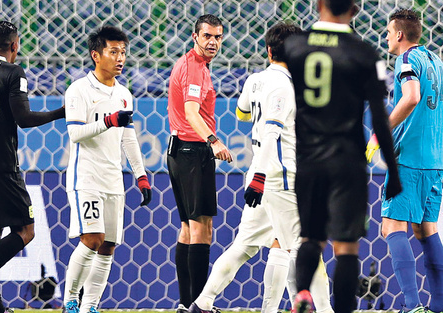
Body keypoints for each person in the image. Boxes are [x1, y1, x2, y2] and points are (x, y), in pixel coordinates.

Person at [188, 22, 333, 313]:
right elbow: (271, 133)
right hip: (279, 177)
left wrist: (257, 176)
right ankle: (325, 310)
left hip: (260, 173)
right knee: (306, 247)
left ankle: (202, 303)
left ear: (268, 50)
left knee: (248, 245)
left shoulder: (255, 79)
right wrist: (261, 178)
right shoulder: (283, 86)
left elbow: (242, 113)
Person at [282, 1, 403, 313]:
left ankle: (303, 295)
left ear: (318, 4)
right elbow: (379, 118)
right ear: (355, 9)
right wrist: (392, 169)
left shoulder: (293, 47)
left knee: (311, 237)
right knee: (346, 247)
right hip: (347, 162)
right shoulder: (364, 54)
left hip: (308, 159)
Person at [0, 21, 65, 313]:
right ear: (14, 46)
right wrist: (60, 112)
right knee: (26, 230)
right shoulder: (13, 72)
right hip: (0, 164)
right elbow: (23, 118)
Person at [61, 25, 151, 313]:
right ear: (96, 55)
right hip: (86, 176)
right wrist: (108, 121)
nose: (120, 58)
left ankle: (90, 306)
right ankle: (70, 301)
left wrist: (141, 175)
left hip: (114, 179)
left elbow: (128, 136)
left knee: (108, 245)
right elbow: (75, 134)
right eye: (113, 52)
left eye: (123, 52)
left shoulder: (124, 94)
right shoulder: (79, 90)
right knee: (92, 239)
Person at [366, 9, 443, 313]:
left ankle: (412, 306)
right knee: (426, 230)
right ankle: (437, 307)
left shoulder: (406, 59)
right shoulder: (436, 62)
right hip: (435, 160)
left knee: (391, 226)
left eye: (387, 32)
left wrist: (381, 131)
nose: (385, 37)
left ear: (399, 34)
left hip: (409, 159)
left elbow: (410, 97)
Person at [166, 14, 233, 313]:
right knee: (201, 228)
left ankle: (185, 304)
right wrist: (213, 141)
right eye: (207, 36)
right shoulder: (194, 69)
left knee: (186, 228)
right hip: (193, 151)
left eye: (218, 37)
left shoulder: (193, 66)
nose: (213, 42)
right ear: (195, 37)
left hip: (179, 151)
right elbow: (192, 112)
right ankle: (198, 305)